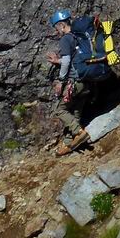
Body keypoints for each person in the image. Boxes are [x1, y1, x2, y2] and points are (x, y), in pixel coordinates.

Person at [45, 9, 93, 155]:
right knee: (76, 112)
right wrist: (57, 61)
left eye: (56, 27)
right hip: (88, 80)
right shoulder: (79, 37)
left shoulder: (66, 39)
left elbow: (67, 61)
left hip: (75, 82)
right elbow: (72, 60)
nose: (56, 31)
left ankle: (79, 132)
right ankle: (69, 144)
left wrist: (60, 81)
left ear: (60, 25)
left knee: (60, 110)